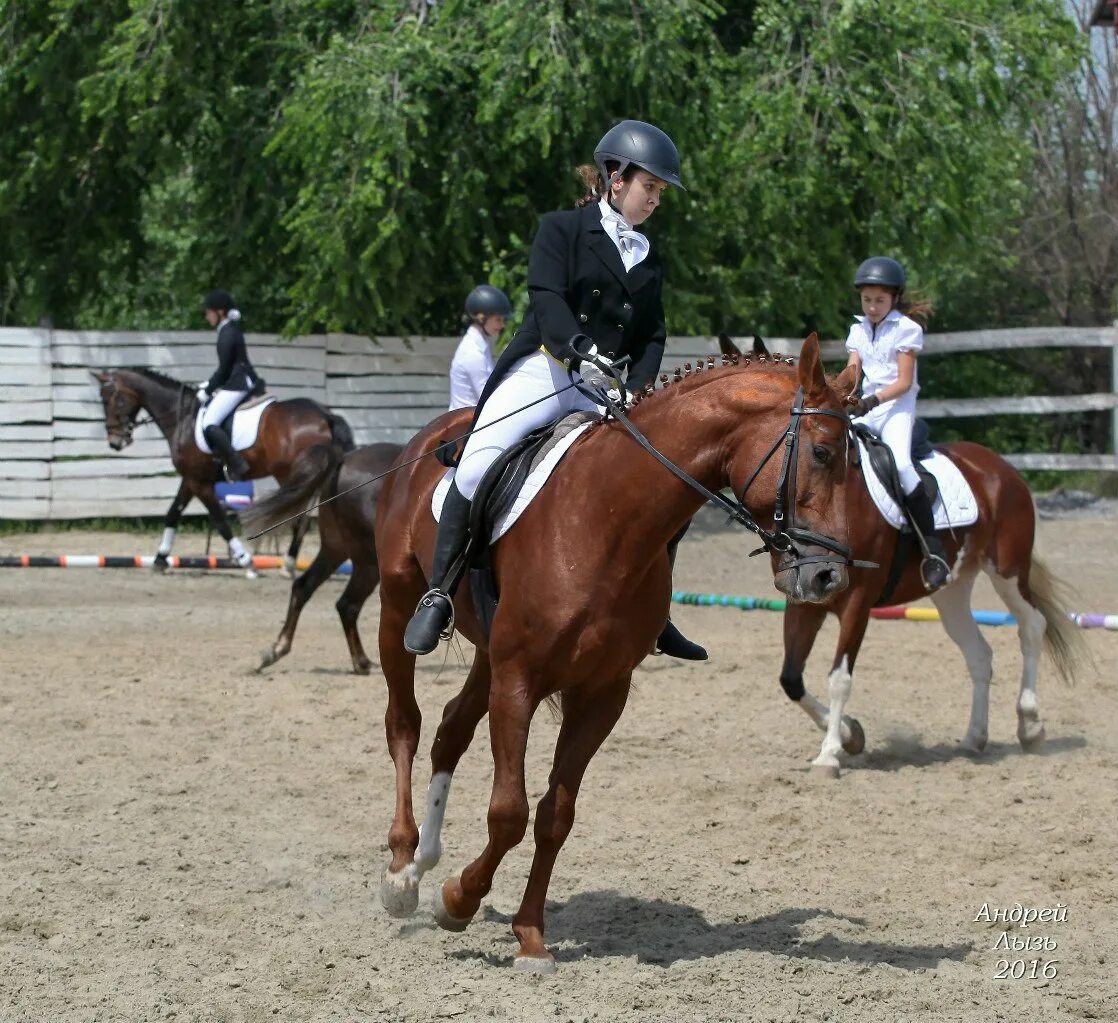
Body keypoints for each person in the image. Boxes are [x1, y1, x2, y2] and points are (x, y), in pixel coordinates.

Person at [404, 119, 707, 660]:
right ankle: (439, 594)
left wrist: (638, 388)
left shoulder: (647, 255)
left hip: (604, 388)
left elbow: (653, 335)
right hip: (545, 369)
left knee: (660, 477)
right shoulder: (561, 229)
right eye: (650, 187)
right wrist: (579, 348)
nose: (655, 200)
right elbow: (547, 300)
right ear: (616, 177)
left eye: (660, 192)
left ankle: (656, 612)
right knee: (475, 467)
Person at [844, 257, 952, 591]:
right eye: (867, 299)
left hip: (897, 408)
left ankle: (933, 550)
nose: (872, 307)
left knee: (902, 465)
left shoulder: (907, 330)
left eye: (879, 300)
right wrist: (842, 394)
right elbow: (852, 371)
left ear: (894, 298)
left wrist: (871, 401)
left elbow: (904, 382)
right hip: (865, 405)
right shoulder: (858, 330)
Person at [198, 289, 257, 482]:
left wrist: (207, 391)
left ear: (220, 312)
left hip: (237, 383)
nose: (207, 316)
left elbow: (224, 369)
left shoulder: (227, 333)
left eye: (209, 312)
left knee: (209, 423)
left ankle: (237, 465)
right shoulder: (230, 330)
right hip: (239, 380)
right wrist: (210, 383)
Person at [448, 285, 511, 410]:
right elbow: (490, 400)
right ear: (481, 318)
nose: (502, 325)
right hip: (468, 421)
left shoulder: (479, 346)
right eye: (498, 319)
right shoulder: (473, 354)